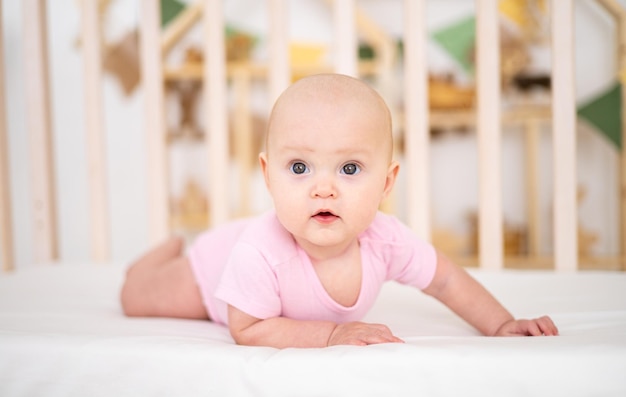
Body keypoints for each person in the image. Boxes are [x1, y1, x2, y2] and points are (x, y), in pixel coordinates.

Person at [120, 73, 558, 348]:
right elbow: (249, 328)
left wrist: (501, 325)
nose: (323, 189)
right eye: (299, 167)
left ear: (386, 182)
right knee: (137, 298)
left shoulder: (386, 239)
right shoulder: (260, 251)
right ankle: (163, 255)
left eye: (349, 168)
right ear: (268, 175)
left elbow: (445, 279)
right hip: (211, 272)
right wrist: (332, 335)